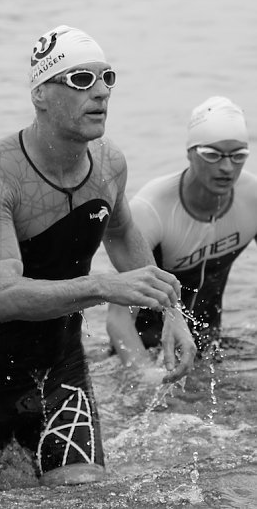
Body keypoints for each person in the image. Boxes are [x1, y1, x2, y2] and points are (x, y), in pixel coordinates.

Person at [0, 25, 197, 487]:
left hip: (61, 360)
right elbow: (5, 296)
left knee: (85, 493)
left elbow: (122, 237)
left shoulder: (109, 162)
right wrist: (102, 287)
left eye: (107, 78)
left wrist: (170, 310)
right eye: (79, 80)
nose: (99, 93)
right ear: (40, 94)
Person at [107, 96, 255, 368]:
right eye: (212, 154)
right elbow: (118, 320)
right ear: (190, 152)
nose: (226, 167)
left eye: (238, 156)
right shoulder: (152, 210)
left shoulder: (252, 199)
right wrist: (145, 378)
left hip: (211, 347)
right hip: (148, 350)